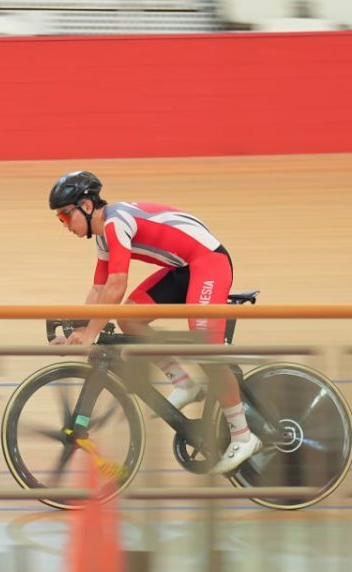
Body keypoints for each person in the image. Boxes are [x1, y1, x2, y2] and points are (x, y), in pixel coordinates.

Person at [47, 170, 259, 475]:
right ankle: (183, 381)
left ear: (87, 205)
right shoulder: (104, 237)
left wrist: (91, 331)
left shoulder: (114, 222)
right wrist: (77, 330)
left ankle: (243, 435)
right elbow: (99, 290)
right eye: (60, 220)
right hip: (184, 268)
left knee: (205, 348)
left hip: (208, 262)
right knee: (129, 320)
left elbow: (117, 285)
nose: (65, 225)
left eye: (66, 217)